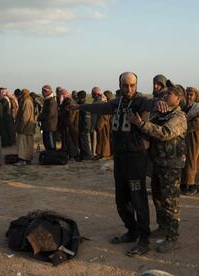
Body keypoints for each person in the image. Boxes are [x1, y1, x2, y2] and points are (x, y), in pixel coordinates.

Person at [68, 72, 164, 257]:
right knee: (121, 199)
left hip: (136, 157)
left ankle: (143, 239)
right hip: (120, 158)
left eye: (133, 85)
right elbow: (100, 107)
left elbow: (150, 103)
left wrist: (158, 103)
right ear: (120, 85)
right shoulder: (117, 102)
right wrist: (80, 106)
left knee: (138, 198)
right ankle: (132, 230)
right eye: (126, 85)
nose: (129, 89)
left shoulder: (140, 101)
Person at [129, 85, 187, 253]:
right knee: (158, 198)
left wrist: (141, 124)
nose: (165, 95)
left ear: (178, 99)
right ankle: (162, 227)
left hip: (171, 165)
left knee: (170, 202)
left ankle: (172, 237)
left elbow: (164, 133)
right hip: (157, 162)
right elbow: (148, 131)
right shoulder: (160, 114)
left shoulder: (179, 117)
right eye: (165, 93)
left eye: (169, 94)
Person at [181, 87, 199, 195]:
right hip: (185, 138)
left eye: (190, 95)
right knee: (184, 160)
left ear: (195, 96)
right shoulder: (185, 107)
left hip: (195, 137)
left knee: (193, 161)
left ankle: (193, 184)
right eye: (187, 94)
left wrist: (183, 127)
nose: (188, 97)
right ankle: (184, 183)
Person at [15, 89, 36, 166]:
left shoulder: (26, 102)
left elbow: (25, 117)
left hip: (25, 128)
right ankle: (27, 159)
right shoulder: (28, 101)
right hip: (28, 127)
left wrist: (21, 127)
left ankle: (23, 160)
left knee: (23, 145)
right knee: (27, 144)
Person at [58, 88, 79, 159]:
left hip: (70, 126)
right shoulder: (68, 101)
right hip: (69, 125)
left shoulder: (69, 102)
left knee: (71, 141)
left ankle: (72, 155)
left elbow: (70, 116)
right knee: (69, 141)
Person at [38, 85, 58, 151]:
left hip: (50, 127)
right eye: (42, 91)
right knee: (46, 143)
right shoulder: (47, 101)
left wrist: (40, 117)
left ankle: (53, 157)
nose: (43, 92)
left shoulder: (52, 101)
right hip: (46, 127)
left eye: (44, 91)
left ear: (48, 92)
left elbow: (50, 114)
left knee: (51, 145)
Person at [76, 90, 93, 161]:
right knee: (81, 142)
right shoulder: (81, 105)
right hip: (81, 126)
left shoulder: (85, 106)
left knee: (84, 142)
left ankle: (87, 156)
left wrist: (85, 127)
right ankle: (83, 155)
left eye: (78, 97)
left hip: (84, 127)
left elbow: (87, 118)